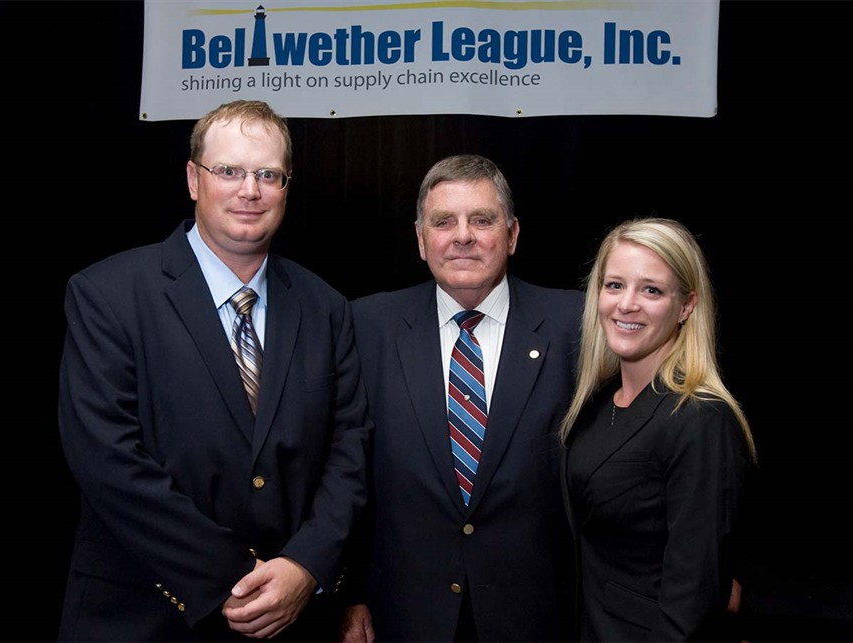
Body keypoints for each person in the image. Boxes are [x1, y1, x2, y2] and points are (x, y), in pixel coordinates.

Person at [57, 99, 371, 641]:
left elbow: (350, 450)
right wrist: (233, 575)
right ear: (193, 179)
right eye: (228, 170)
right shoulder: (107, 295)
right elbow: (106, 457)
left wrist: (305, 567)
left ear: (286, 186)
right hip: (142, 614)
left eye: (268, 175)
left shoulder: (327, 309)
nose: (250, 191)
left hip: (291, 617)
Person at [339, 154, 582, 642]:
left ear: (512, 235)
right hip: (404, 615)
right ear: (421, 238)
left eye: (482, 220)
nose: (463, 235)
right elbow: (344, 470)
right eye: (443, 221)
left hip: (541, 616)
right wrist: (349, 593)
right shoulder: (365, 326)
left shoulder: (577, 325)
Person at [559, 217, 757, 641]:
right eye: (614, 285)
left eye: (651, 290)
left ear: (686, 306)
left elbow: (695, 597)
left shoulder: (700, 418)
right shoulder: (596, 405)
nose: (626, 304)